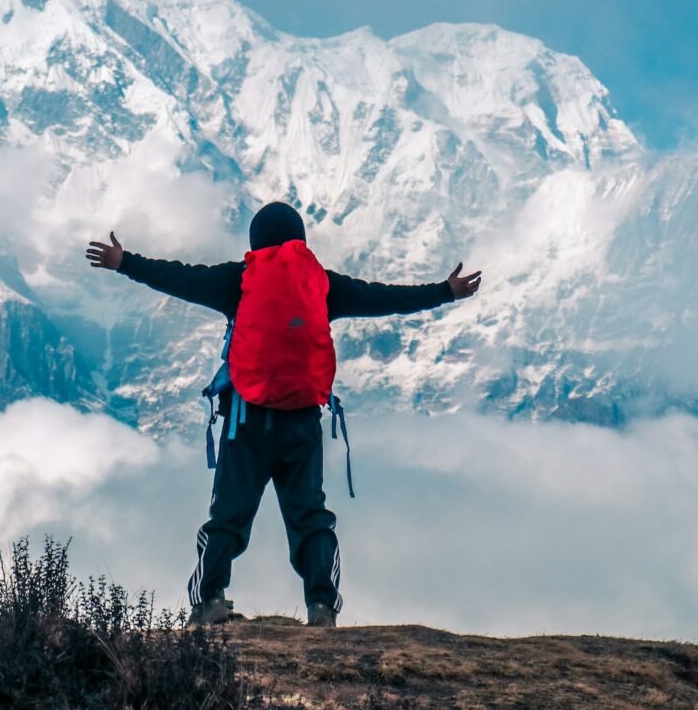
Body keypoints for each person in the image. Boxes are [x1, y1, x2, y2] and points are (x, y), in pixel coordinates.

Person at [86, 202, 481, 627]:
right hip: (301, 422)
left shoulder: (237, 280)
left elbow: (180, 277)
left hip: (245, 420)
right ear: (300, 241)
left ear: (255, 240)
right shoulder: (322, 285)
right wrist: (444, 291)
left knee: (228, 517)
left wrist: (124, 262)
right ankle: (322, 607)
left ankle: (208, 603)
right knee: (310, 518)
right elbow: (384, 297)